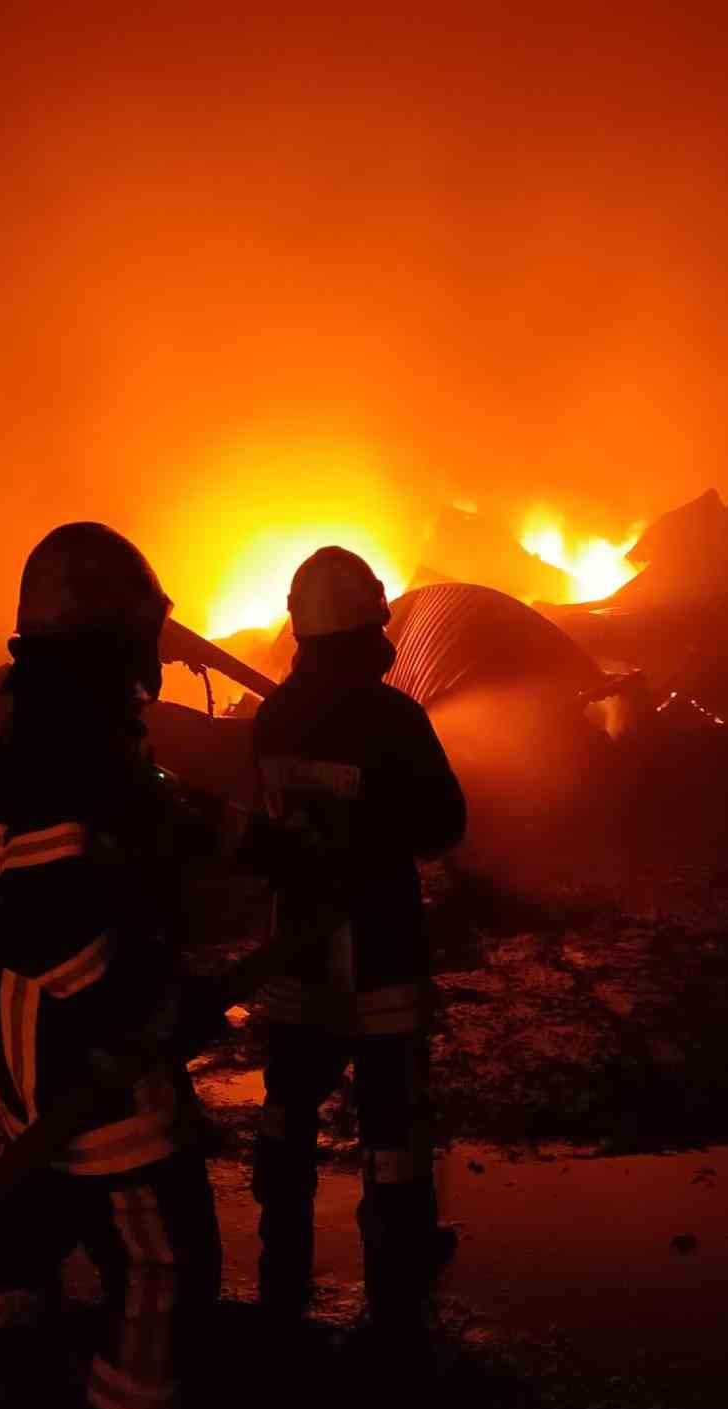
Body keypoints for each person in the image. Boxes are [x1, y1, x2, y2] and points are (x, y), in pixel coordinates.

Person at [0, 522, 222, 1409]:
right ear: (114, 633)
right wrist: (146, 1011)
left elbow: (128, 814)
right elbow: (44, 916)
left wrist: (212, 827)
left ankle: (1, 1387)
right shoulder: (58, 742)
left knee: (33, 1212)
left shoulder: (69, 721)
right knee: (162, 1261)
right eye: (147, 628)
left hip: (45, 1044)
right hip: (90, 1059)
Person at [247, 546, 466, 1341]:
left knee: (285, 1108)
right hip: (379, 957)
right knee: (393, 1129)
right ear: (370, 628)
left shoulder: (272, 717)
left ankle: (282, 1260)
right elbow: (445, 825)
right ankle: (399, 1282)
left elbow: (254, 834)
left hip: (293, 962)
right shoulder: (394, 718)